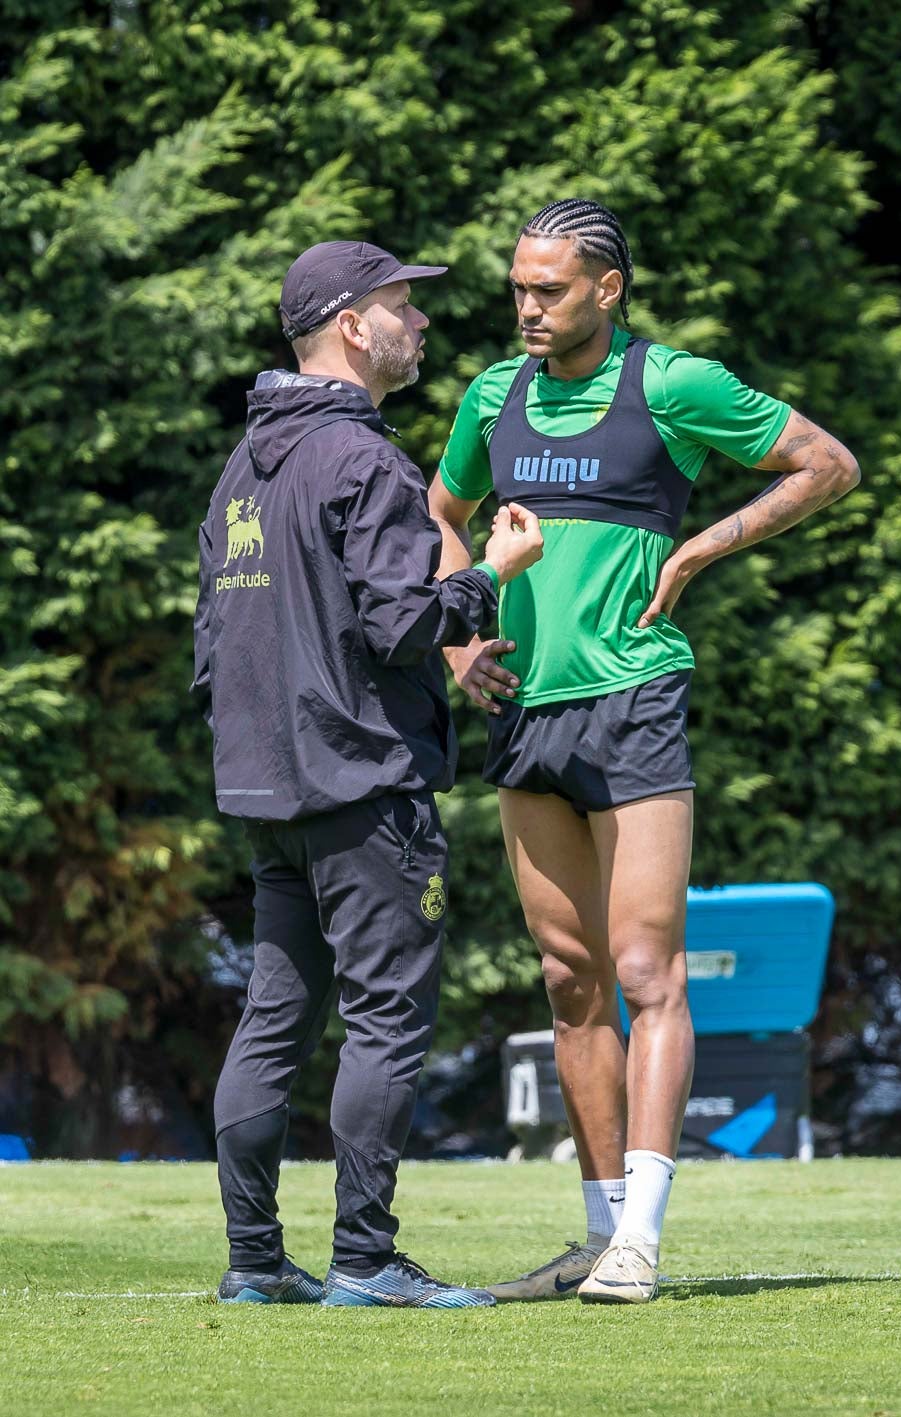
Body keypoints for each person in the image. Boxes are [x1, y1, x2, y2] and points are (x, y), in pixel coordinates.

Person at [428, 198, 860, 1304]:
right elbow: (443, 512)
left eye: (549, 288)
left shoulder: (671, 384)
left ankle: (644, 1241)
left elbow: (825, 465)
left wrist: (704, 548)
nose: (527, 306)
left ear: (606, 289)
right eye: (519, 286)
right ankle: (596, 1230)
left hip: (633, 700)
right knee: (570, 980)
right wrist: (463, 638)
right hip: (524, 713)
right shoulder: (492, 395)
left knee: (645, 971)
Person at [192, 239, 542, 1309]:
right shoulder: (365, 461)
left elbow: (218, 646)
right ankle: (364, 1258)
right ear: (353, 324)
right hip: (363, 788)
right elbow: (398, 619)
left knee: (273, 1020)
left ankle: (256, 1262)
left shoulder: (246, 465)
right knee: (387, 1020)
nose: (419, 322)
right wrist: (491, 574)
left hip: (271, 794)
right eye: (402, 305)